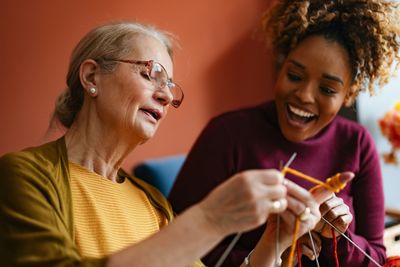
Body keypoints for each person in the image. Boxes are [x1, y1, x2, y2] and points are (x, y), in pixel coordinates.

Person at [0, 21, 341, 267]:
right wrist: (210, 219)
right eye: (151, 73)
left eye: (171, 86)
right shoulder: (23, 176)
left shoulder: (152, 202)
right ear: (92, 77)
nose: (165, 96)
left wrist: (275, 242)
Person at [169, 0, 400, 266]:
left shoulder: (357, 143)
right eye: (294, 75)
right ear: (281, 68)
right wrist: (271, 253)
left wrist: (336, 237)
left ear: (347, 96)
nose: (303, 95)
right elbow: (174, 240)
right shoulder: (227, 135)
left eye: (327, 90)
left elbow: (378, 258)